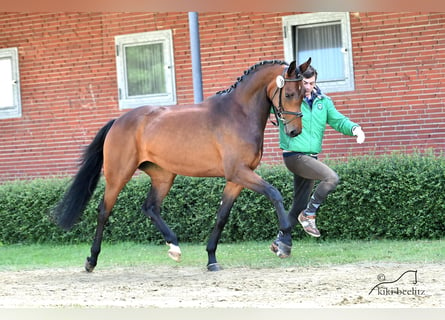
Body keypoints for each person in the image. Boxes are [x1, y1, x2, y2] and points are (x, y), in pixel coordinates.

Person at [271, 64, 365, 249]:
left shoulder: (324, 102)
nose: (307, 87)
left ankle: (281, 241)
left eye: (311, 82)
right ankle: (310, 214)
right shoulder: (288, 99)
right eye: (304, 82)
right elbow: (266, 102)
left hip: (310, 159)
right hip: (294, 155)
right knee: (331, 178)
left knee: (299, 204)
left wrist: (355, 128)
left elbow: (338, 121)